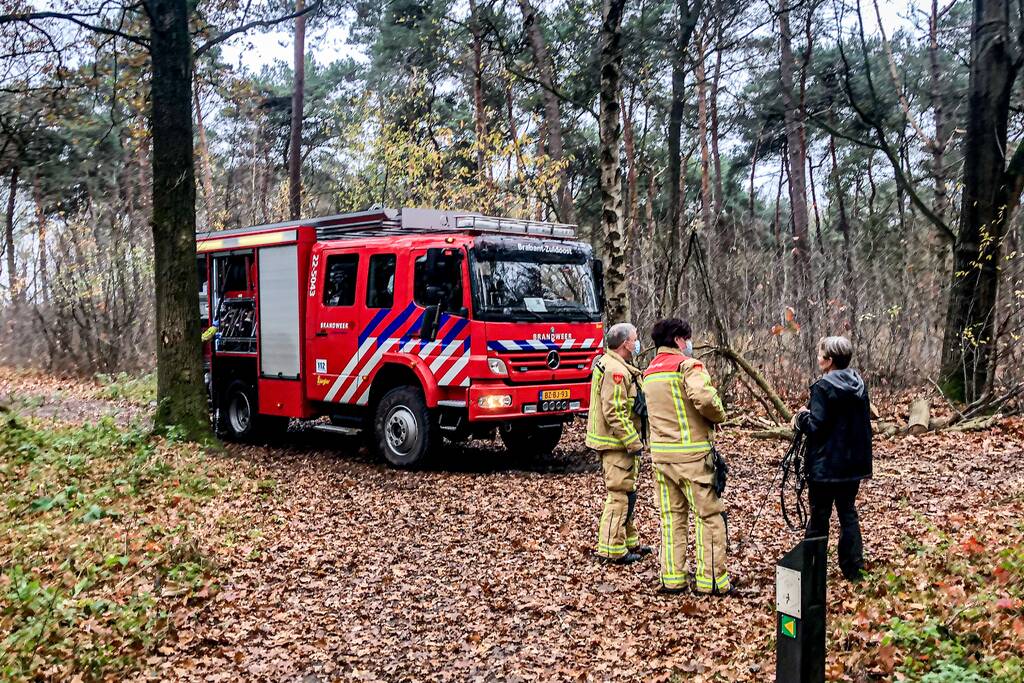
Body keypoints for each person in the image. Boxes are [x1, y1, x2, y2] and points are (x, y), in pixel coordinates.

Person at [643, 318, 731, 595]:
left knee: (672, 518)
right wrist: (718, 415)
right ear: (679, 339)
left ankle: (672, 579)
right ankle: (712, 582)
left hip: (661, 457)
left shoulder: (649, 372)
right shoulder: (688, 366)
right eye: (688, 339)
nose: (690, 344)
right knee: (709, 516)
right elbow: (705, 399)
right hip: (692, 456)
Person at [793, 336, 872, 582]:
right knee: (848, 514)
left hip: (825, 467)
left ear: (829, 361)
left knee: (819, 517)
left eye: (820, 355)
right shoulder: (859, 384)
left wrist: (801, 417)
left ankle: (812, 571)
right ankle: (854, 570)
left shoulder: (822, 388)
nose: (818, 358)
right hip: (852, 465)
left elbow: (816, 426)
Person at [586, 322, 652, 564]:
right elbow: (614, 411)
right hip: (616, 444)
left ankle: (628, 542)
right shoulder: (616, 371)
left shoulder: (614, 365)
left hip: (618, 443)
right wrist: (633, 441)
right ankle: (612, 549)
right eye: (635, 339)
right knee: (619, 496)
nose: (637, 343)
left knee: (628, 493)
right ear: (625, 343)